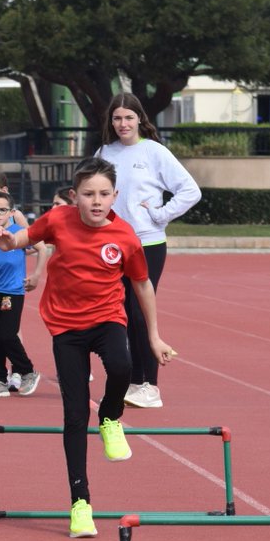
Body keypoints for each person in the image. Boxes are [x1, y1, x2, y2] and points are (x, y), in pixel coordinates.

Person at [0, 156, 176, 539]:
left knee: (122, 367)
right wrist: (10, 242)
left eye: (104, 194)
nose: (96, 201)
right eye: (88, 194)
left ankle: (109, 417)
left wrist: (154, 336)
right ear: (74, 196)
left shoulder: (125, 236)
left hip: (107, 319)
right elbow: (27, 237)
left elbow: (142, 284)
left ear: (115, 196)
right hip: (66, 328)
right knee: (74, 415)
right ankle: (80, 503)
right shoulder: (59, 220)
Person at [97, 93, 200, 409]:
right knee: (120, 314)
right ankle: (132, 381)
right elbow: (94, 194)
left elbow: (190, 191)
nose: (123, 124)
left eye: (129, 117)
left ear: (140, 119)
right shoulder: (104, 153)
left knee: (140, 312)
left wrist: (160, 215)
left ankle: (150, 386)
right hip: (112, 246)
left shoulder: (155, 152)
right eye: (117, 118)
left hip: (147, 243)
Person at [0, 191, 44, 398]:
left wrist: (36, 275)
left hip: (11, 292)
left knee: (7, 334)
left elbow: (42, 248)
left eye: (2, 210)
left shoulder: (20, 232)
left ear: (12, 212)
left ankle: (28, 371)